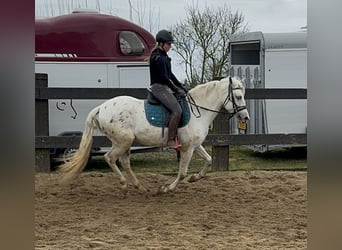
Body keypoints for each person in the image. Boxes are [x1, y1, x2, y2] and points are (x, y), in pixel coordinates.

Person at [148, 29, 187, 150]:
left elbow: (170, 75)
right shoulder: (158, 58)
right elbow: (164, 78)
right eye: (168, 44)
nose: (170, 46)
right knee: (177, 110)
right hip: (159, 88)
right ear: (161, 43)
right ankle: (170, 140)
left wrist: (181, 86)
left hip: (164, 87)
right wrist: (175, 89)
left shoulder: (164, 57)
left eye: (170, 44)